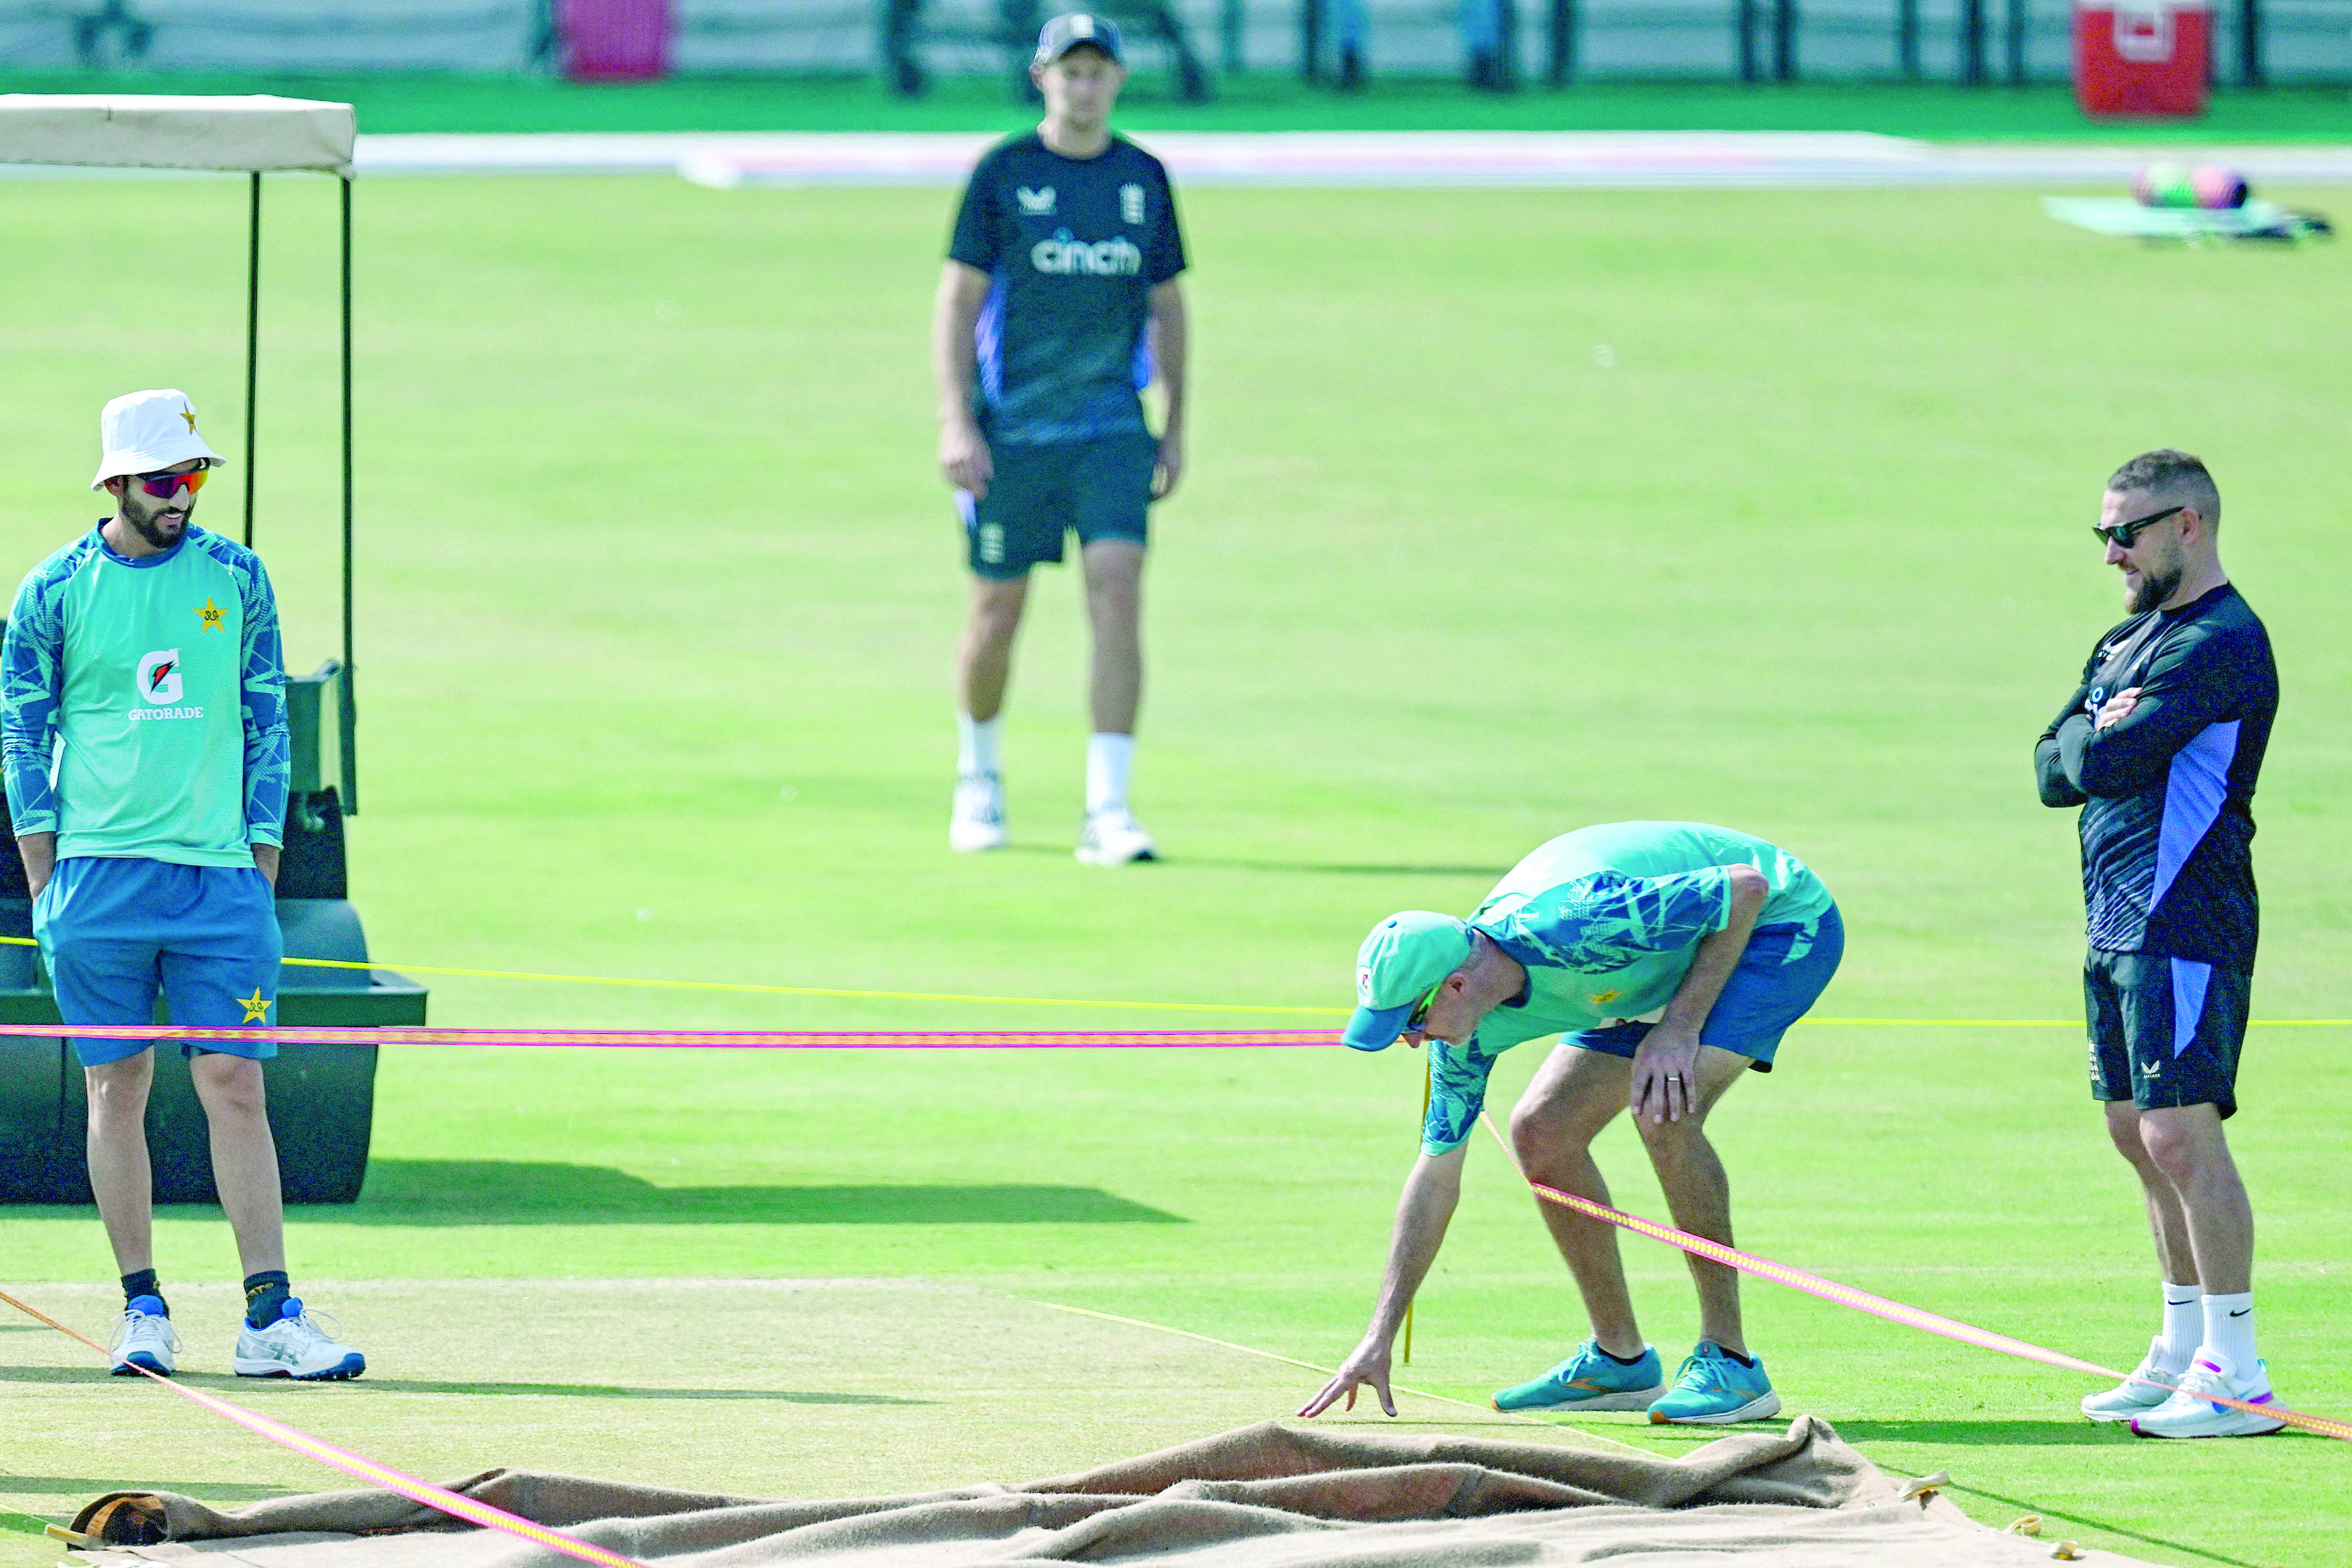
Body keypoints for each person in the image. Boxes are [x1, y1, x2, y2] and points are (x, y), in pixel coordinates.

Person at [1, 389, 364, 1382]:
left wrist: (262, 864)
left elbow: (266, 724)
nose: (183, 495)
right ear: (115, 482)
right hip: (97, 885)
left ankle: (268, 1314)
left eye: (194, 475)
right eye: (163, 479)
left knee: (235, 1083)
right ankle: (143, 1306)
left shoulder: (239, 578)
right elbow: (23, 733)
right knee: (117, 1088)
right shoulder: (54, 590)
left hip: (218, 888)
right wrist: (47, 877)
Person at [1298, 822, 1842, 1426]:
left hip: (1776, 926)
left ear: (1455, 984)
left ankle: (1732, 1365)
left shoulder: (1576, 927)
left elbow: (1744, 888)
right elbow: (1434, 1180)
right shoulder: (1462, 1038)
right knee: (1541, 1130)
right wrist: (1378, 1336)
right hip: (1652, 965)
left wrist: (1679, 1027)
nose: (1410, 1041)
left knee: (1663, 1107)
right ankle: (1619, 1359)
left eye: (1413, 1020)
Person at [2035, 449, 2280, 1438]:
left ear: (2189, 525)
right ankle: (2181, 1347)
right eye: (2103, 532)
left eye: (2124, 533)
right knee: (2133, 1131)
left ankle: (2238, 1375)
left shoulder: (2221, 642)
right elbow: (2053, 766)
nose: (2110, 554)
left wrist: (2096, 730)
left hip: (2186, 915)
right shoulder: (2127, 641)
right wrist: (2093, 729)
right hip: (2115, 918)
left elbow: (2106, 753)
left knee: (2181, 1134)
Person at [933, 11, 1189, 866]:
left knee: (1117, 589)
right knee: (996, 610)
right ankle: (980, 779)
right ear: (1042, 76)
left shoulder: (1142, 179)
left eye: (1098, 72)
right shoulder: (1003, 174)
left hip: (1112, 428)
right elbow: (959, 301)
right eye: (1068, 71)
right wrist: (956, 419)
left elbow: (1168, 303)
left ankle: (1107, 808)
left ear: (1117, 80)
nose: (1084, 86)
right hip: (1014, 435)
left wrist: (1175, 425)